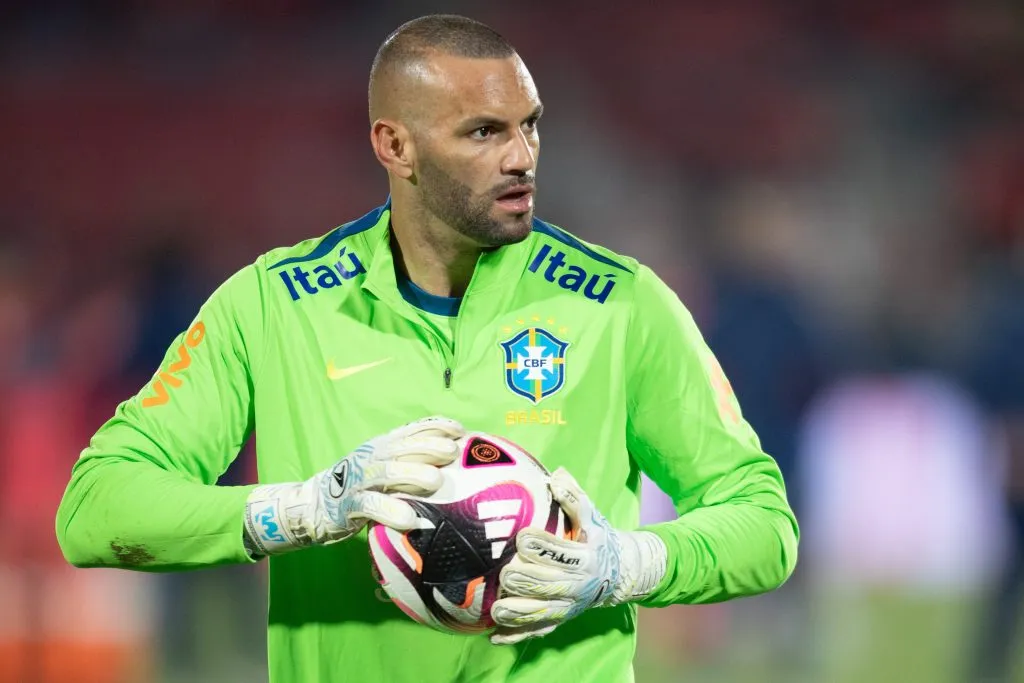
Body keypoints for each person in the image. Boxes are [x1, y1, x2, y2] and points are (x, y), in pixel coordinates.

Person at [55, 14, 798, 683]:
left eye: (530, 125)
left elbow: (764, 521)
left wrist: (624, 563)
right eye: (484, 132)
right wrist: (305, 509)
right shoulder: (274, 304)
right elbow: (94, 508)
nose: (521, 156)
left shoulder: (621, 304)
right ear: (394, 145)